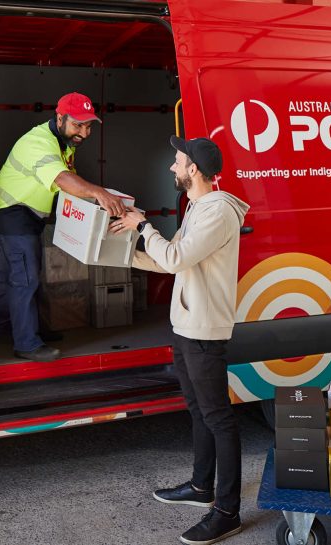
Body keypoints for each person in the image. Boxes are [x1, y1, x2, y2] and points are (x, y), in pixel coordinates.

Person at [110, 136, 249, 545]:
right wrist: (124, 254)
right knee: (198, 410)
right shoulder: (199, 207)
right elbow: (173, 258)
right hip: (186, 326)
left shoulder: (218, 212)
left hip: (204, 330)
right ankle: (201, 487)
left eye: (177, 162)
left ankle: (227, 512)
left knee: (219, 419)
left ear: (194, 170)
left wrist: (144, 226)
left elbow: (175, 258)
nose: (172, 168)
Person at [0, 92, 126, 362]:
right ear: (60, 118)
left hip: (28, 215)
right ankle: (27, 344)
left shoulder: (64, 142)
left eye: (88, 126)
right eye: (78, 125)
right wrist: (99, 194)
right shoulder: (38, 143)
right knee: (24, 278)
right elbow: (62, 179)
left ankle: (32, 331)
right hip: (13, 213)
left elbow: (69, 182)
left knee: (32, 274)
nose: (84, 133)